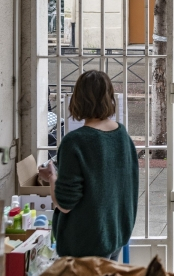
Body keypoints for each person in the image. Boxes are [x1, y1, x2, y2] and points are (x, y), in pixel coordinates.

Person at [38, 70, 139, 260]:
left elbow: (65, 204)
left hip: (85, 243)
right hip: (116, 235)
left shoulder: (75, 142)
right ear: (109, 97)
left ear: (77, 99)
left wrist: (52, 177)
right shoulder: (122, 135)